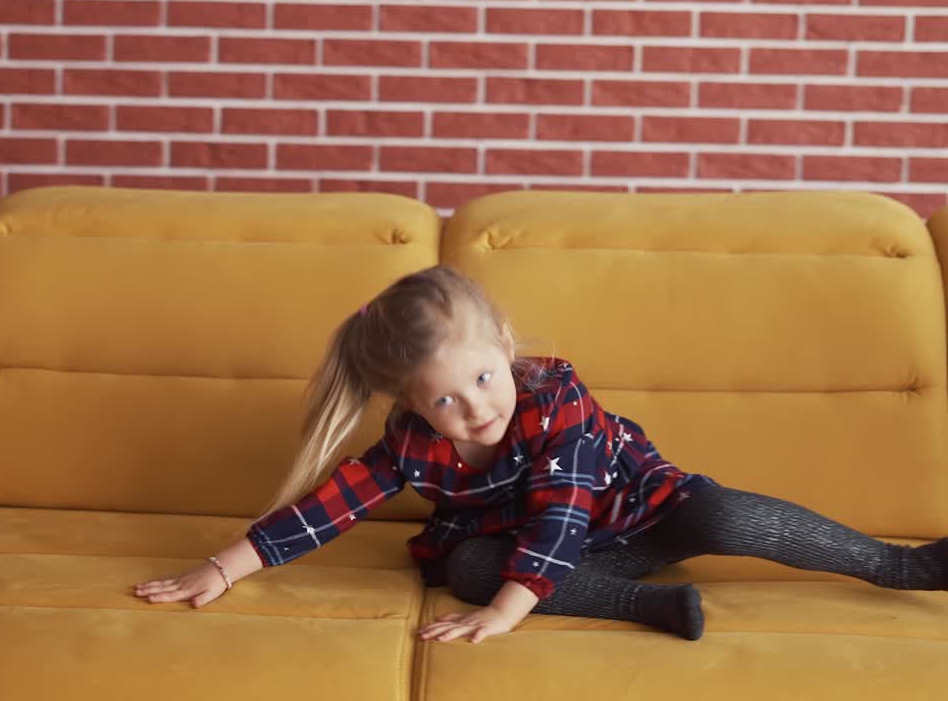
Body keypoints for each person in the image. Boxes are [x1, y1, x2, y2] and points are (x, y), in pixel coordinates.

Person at [134, 265, 948, 643]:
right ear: (412, 405)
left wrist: (505, 616)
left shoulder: (556, 398)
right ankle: (650, 608)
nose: (476, 408)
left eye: (484, 378)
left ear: (505, 345)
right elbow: (333, 504)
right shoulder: (412, 445)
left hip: (640, 516)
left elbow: (563, 513)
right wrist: (225, 567)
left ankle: (900, 566)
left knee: (725, 513)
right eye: (445, 400)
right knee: (469, 567)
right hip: (561, 558)